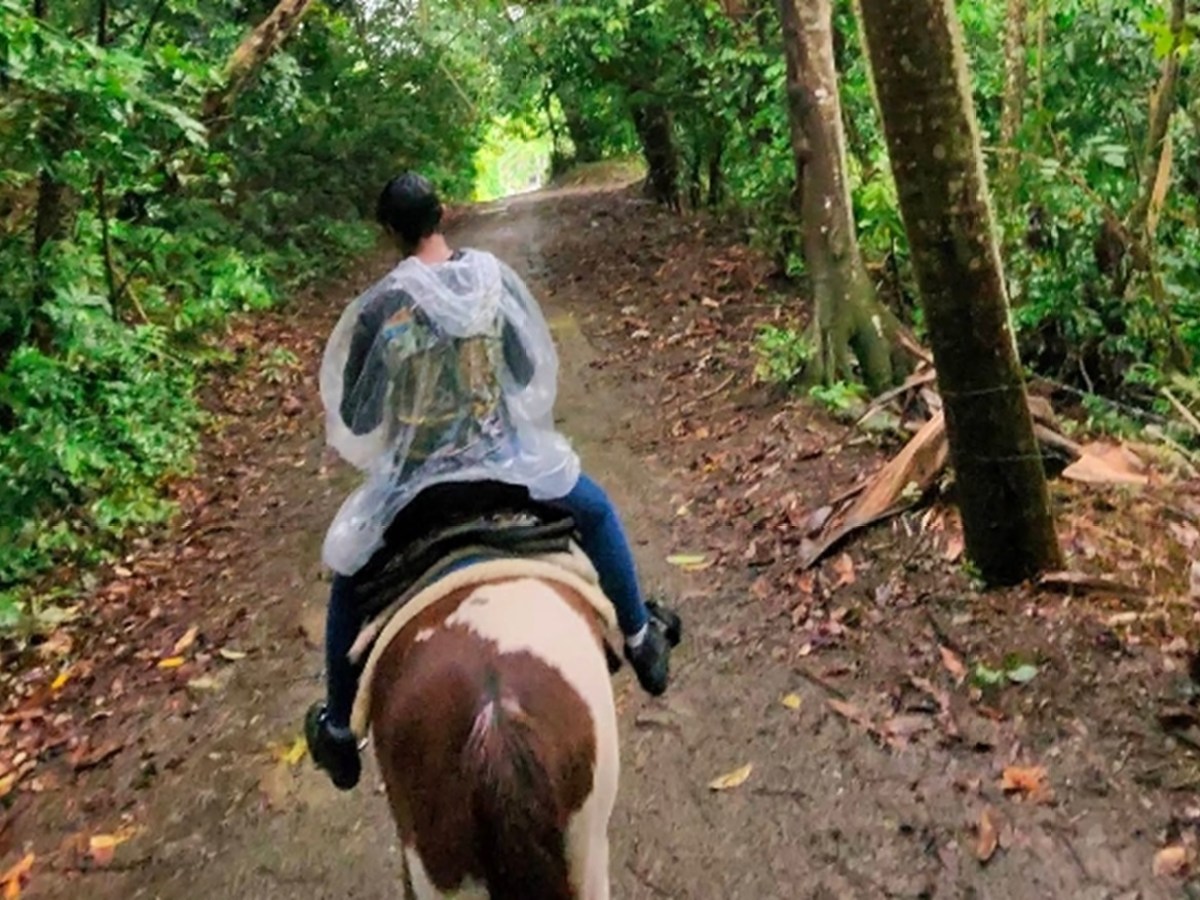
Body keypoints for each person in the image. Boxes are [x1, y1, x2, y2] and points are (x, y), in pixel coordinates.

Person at [304, 172, 679, 790]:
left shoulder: (379, 308)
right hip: (507, 470)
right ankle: (640, 640)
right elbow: (526, 370)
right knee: (596, 511)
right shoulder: (490, 281)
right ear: (442, 214)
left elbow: (359, 418)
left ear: (389, 232)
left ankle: (341, 734)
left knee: (348, 576)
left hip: (416, 492)